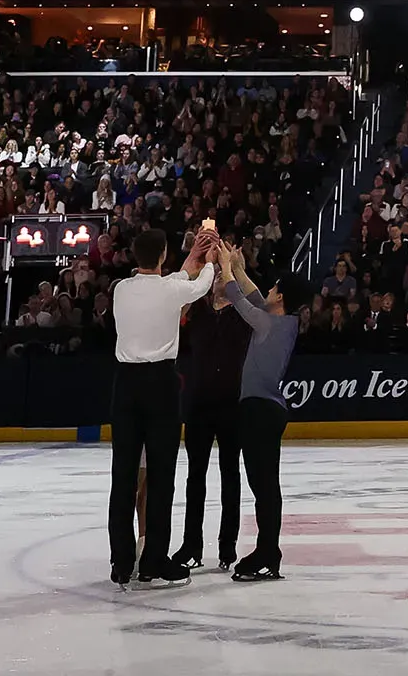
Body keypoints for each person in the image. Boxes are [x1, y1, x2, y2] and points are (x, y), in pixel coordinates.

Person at [107, 225, 216, 589]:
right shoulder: (172, 288)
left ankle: (121, 562)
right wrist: (211, 260)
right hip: (160, 386)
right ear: (164, 255)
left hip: (125, 385)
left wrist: (194, 257)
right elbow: (194, 286)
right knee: (161, 474)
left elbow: (176, 281)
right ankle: (153, 559)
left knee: (123, 475)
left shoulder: (120, 290)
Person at [216, 242, 311, 582]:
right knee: (265, 485)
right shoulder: (278, 322)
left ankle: (268, 550)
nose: (268, 290)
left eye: (274, 288)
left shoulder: (273, 325)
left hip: (260, 411)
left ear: (282, 297)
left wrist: (227, 268)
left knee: (264, 486)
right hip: (262, 410)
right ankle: (268, 549)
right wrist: (240, 268)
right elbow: (256, 299)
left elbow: (241, 303)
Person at [172, 241, 253, 572]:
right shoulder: (198, 310)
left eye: (223, 272)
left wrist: (235, 267)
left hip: (232, 405)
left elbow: (255, 298)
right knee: (196, 477)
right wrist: (198, 261)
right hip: (200, 404)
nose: (219, 276)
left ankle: (228, 545)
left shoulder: (244, 313)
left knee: (231, 475)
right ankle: (191, 545)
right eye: (217, 272)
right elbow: (174, 302)